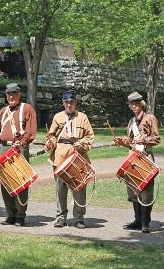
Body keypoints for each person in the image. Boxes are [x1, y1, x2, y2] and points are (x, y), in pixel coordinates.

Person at [0, 83, 37, 227]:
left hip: (19, 149)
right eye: (9, 94)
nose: (11, 97)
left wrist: (21, 143)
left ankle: (20, 216)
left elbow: (31, 132)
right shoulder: (3, 111)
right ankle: (10, 214)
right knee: (6, 182)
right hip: (4, 148)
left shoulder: (27, 109)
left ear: (19, 94)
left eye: (14, 94)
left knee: (21, 182)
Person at [45, 90, 94, 229]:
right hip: (60, 157)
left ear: (75, 103)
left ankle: (78, 218)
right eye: (66, 102)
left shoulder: (83, 117)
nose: (69, 105)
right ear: (63, 103)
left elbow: (90, 136)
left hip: (78, 157)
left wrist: (82, 144)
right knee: (60, 189)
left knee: (79, 188)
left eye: (71, 102)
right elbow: (51, 136)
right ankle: (60, 217)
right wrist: (50, 143)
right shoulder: (57, 117)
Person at [113, 92, 160, 233]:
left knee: (146, 191)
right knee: (133, 191)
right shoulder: (131, 121)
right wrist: (122, 142)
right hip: (133, 158)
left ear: (142, 104)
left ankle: (146, 222)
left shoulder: (150, 118)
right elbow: (130, 142)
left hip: (145, 157)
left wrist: (144, 140)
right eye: (132, 104)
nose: (134, 106)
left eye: (137, 103)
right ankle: (137, 221)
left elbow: (157, 139)